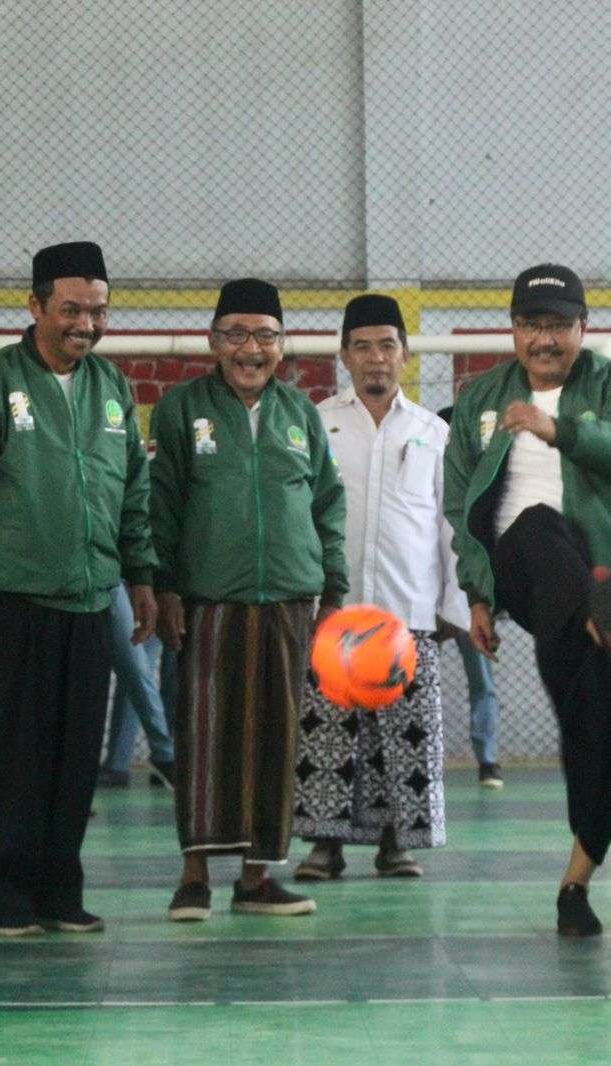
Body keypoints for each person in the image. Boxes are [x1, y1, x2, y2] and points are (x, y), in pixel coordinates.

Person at [0, 241, 158, 936]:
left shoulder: (112, 388)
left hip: (93, 602)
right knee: (9, 759)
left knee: (73, 758)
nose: (85, 324)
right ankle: (4, 894)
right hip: (10, 605)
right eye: (71, 310)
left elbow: (134, 495)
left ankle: (61, 890)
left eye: (97, 311)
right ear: (34, 307)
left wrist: (142, 576)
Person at [443, 263, 611, 937]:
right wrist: (477, 595)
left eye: (559, 326)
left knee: (602, 740)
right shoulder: (481, 399)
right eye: (532, 325)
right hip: (528, 574)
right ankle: (599, 613)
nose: (545, 339)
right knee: (538, 522)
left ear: (583, 329)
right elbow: (460, 506)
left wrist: (557, 429)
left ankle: (576, 885)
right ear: (513, 330)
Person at [150, 278, 345, 922]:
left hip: (291, 599)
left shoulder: (300, 413)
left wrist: (334, 587)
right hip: (210, 600)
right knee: (205, 735)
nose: (250, 348)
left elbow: (326, 504)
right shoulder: (182, 408)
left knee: (277, 739)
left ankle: (258, 878)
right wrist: (166, 585)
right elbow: (164, 504)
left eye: (264, 336)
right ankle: (194, 876)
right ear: (213, 341)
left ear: (283, 346)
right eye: (236, 335)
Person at [293, 295, 469, 881]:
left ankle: (398, 841)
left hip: (409, 610)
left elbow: (450, 523)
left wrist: (452, 604)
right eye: (363, 346)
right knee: (328, 734)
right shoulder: (319, 424)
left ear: (406, 354)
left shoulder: (432, 432)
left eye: (387, 345)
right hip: (336, 612)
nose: (376, 359)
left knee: (405, 734)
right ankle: (325, 845)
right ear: (344, 355)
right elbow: (307, 514)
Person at [438, 404, 504, 790]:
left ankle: (488, 760)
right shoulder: (422, 480)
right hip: (427, 602)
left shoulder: (480, 490)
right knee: (406, 678)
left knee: (481, 679)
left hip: (469, 600)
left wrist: (484, 600)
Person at [99, 581, 176, 789]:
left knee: (142, 670)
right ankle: (161, 755)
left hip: (155, 578)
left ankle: (162, 755)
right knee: (136, 669)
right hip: (129, 577)